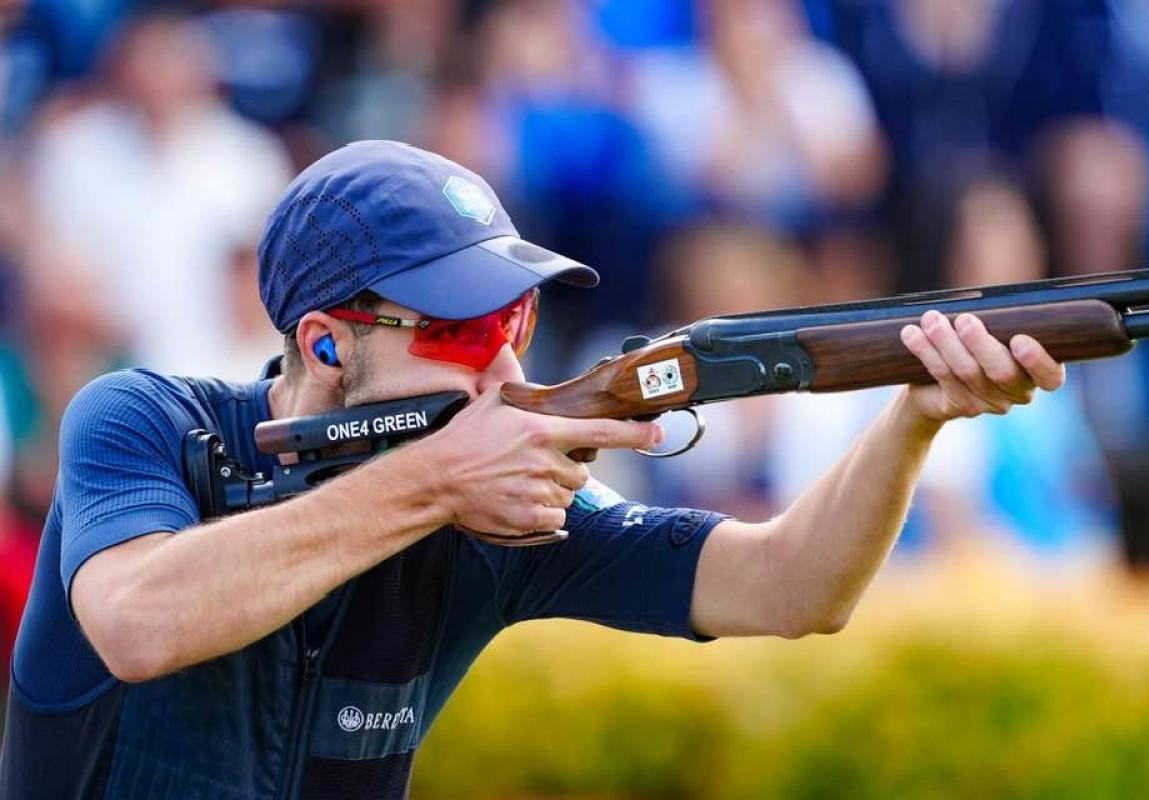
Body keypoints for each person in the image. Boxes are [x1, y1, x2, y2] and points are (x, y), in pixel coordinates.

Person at [0, 141, 1065, 799]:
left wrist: (915, 418)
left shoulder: (493, 505)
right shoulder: (146, 420)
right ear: (324, 343)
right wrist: (435, 486)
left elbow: (790, 584)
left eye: (519, 316)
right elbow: (138, 618)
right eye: (465, 329)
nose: (510, 364)